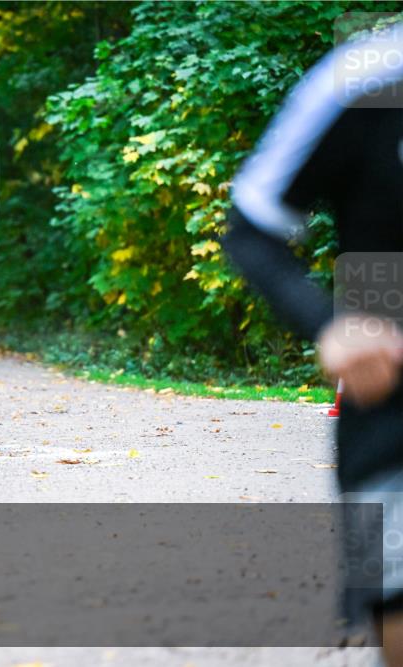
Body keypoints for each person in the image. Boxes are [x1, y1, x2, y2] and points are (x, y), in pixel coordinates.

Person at [221, 23, 402, 663]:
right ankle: (363, 599)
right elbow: (251, 224)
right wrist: (330, 326)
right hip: (392, 389)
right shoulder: (365, 78)